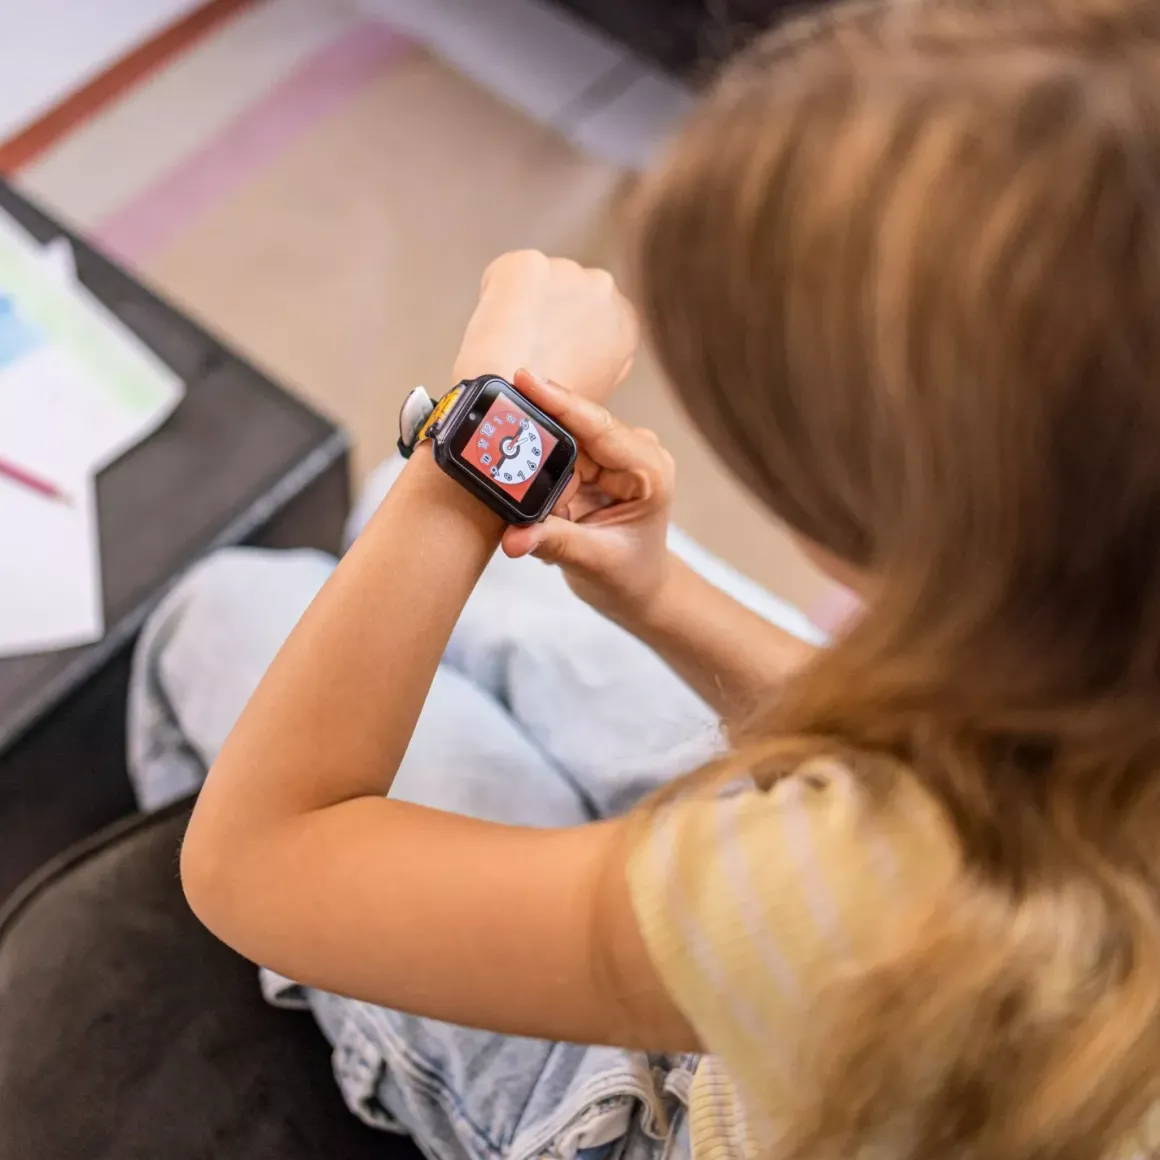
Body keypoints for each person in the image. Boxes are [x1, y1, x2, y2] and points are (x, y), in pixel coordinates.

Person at [136, 0, 1160, 1157]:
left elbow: (257, 858)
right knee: (417, 532)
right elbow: (931, 768)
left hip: (708, 1079)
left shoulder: (867, 900)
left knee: (226, 607)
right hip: (853, 941)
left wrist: (477, 422)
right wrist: (657, 594)